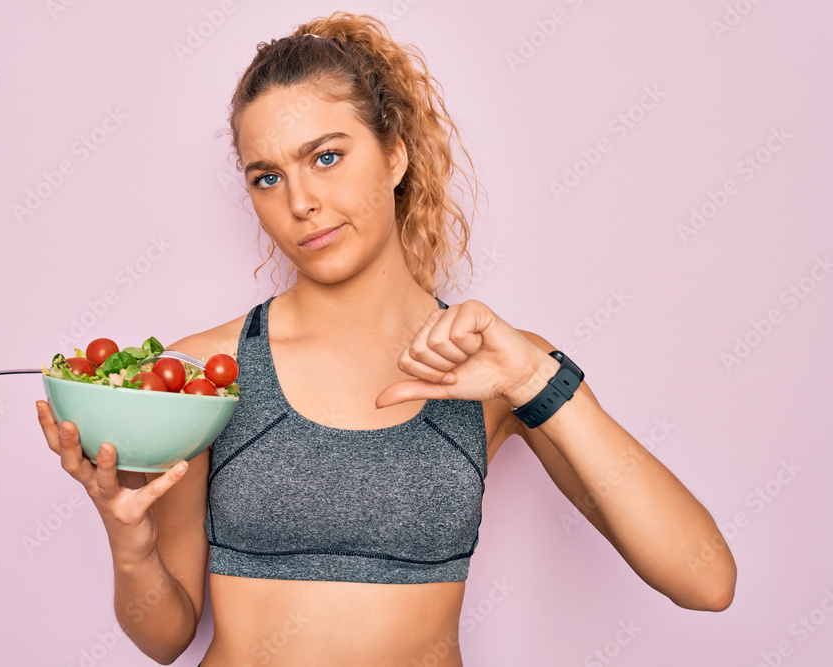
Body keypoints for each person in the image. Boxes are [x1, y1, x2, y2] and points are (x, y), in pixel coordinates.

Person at [36, 11, 737, 666]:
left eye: (328, 157)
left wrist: (536, 379)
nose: (300, 201)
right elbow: (167, 636)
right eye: (267, 176)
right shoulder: (209, 371)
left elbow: (705, 579)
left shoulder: (496, 369)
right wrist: (130, 546)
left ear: (395, 155)